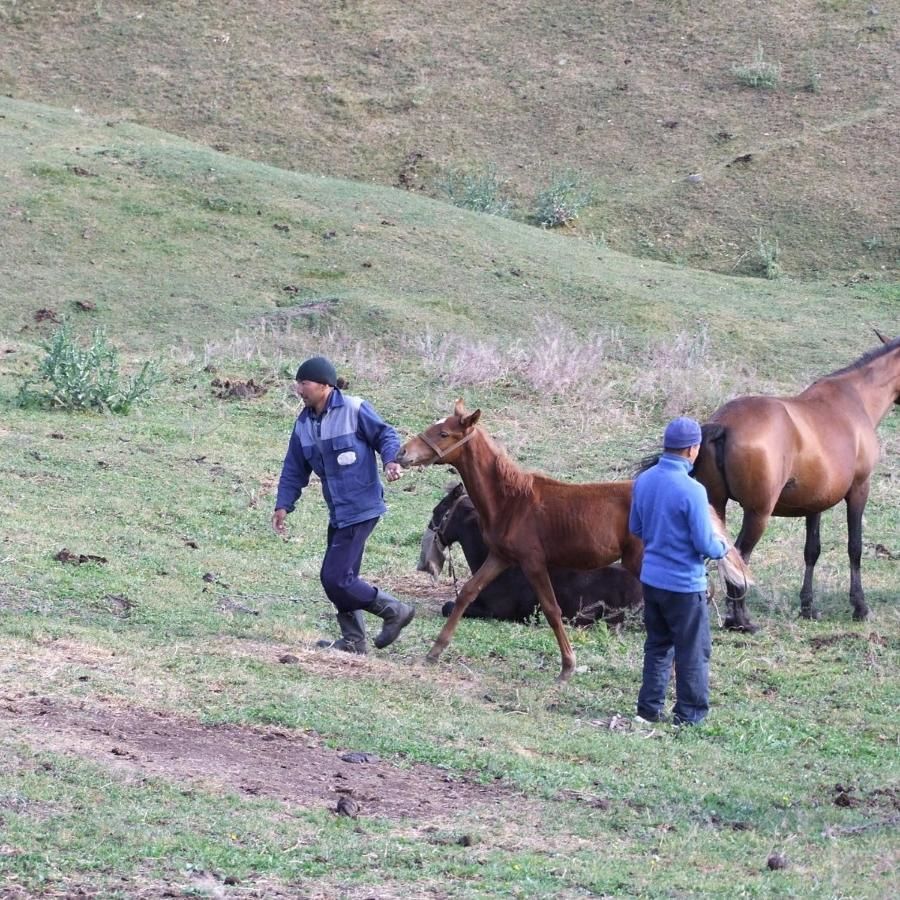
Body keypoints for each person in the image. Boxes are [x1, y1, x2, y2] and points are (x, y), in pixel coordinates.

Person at [272, 356, 415, 654]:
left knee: (334, 577)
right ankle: (354, 640)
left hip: (361, 507)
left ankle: (394, 610)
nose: (299, 389)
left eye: (304, 383)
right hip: (339, 511)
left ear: (325, 385)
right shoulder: (303, 425)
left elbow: (385, 434)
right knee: (343, 577)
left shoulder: (354, 409)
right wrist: (283, 504)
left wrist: (390, 461)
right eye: (298, 383)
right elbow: (294, 468)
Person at [628, 416, 728, 726]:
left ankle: (648, 710)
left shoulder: (644, 481)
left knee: (658, 645)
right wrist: (721, 547)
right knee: (693, 651)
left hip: (652, 581)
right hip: (685, 586)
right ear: (692, 449)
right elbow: (703, 543)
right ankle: (689, 715)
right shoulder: (693, 490)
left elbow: (636, 527)